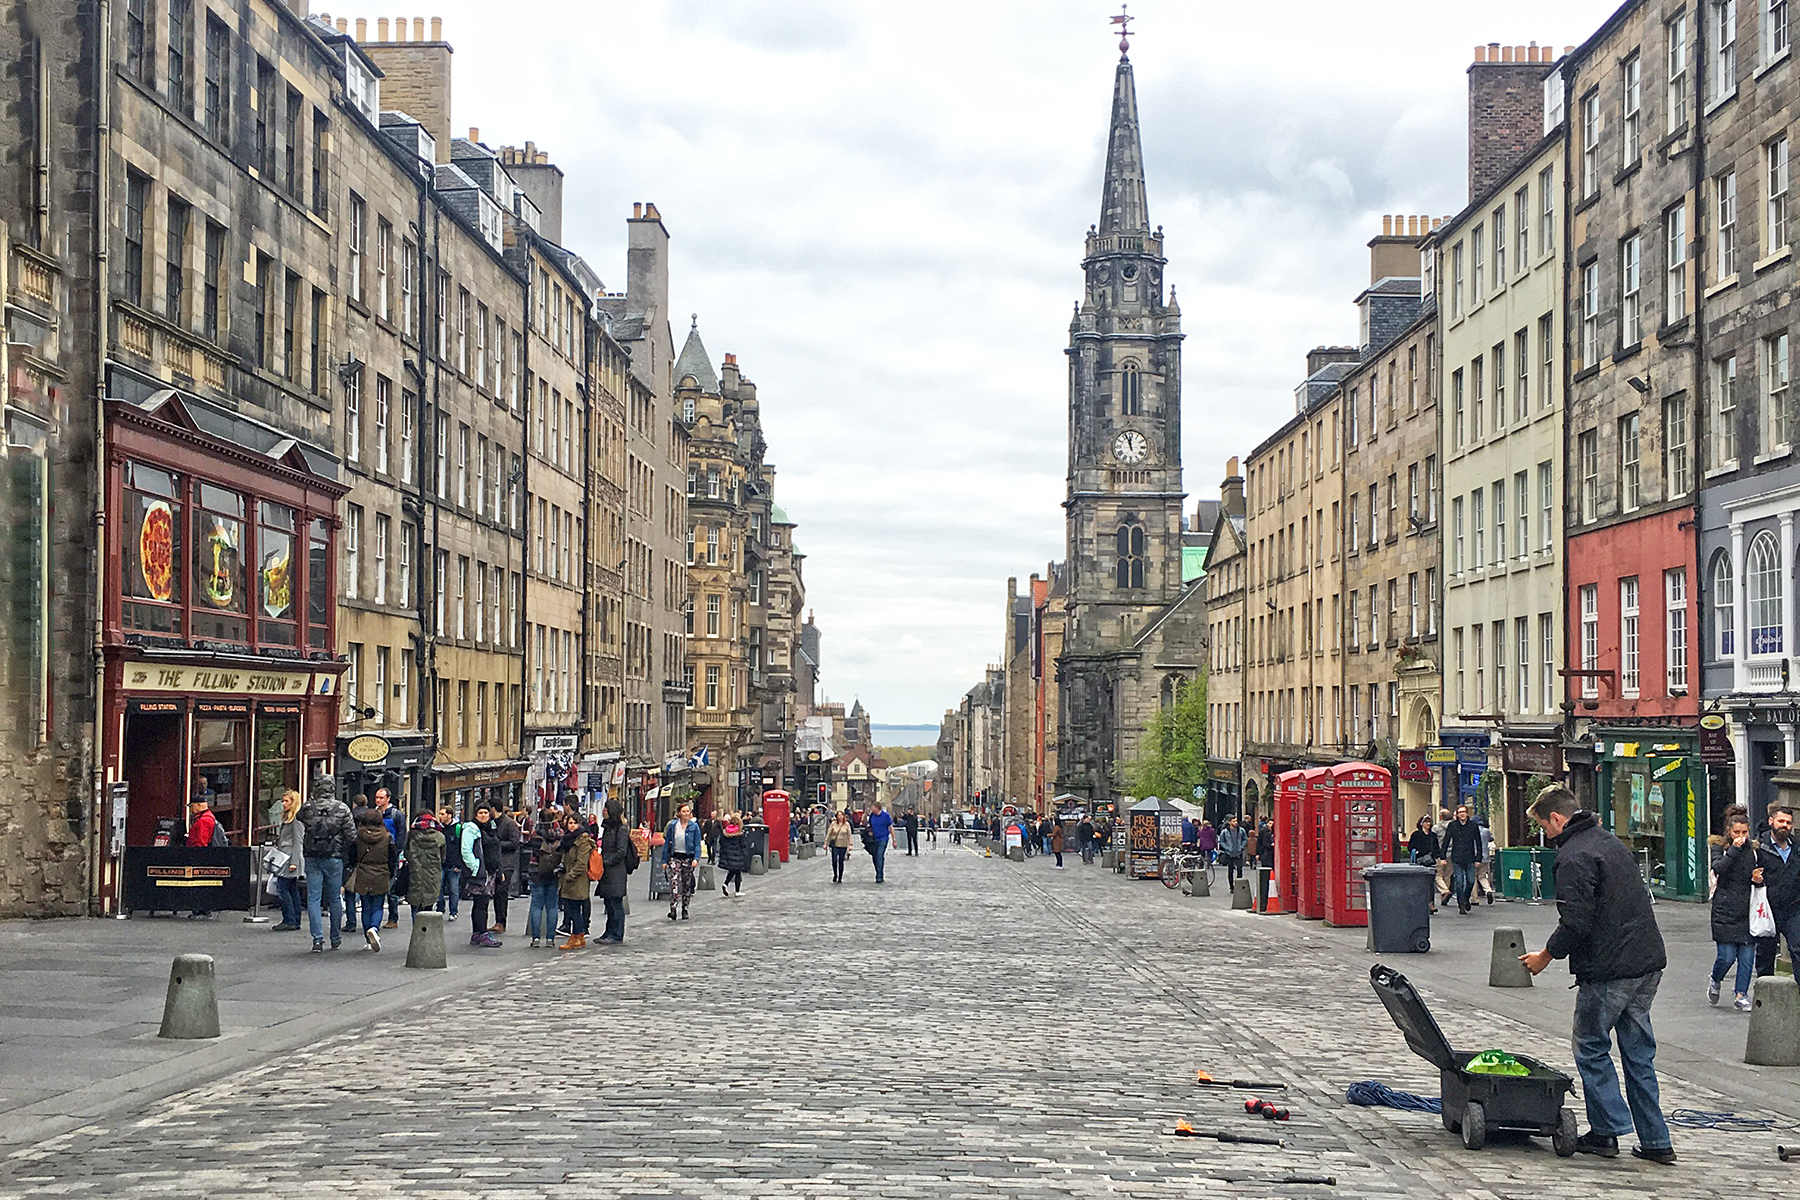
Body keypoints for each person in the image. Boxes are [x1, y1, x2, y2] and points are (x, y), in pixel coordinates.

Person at [1519, 786, 1673, 1165]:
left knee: (1590, 1045)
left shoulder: (1573, 857)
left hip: (1609, 968)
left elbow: (1576, 922)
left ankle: (1606, 1131)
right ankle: (1656, 1141)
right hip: (1646, 961)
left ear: (1556, 818)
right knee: (1638, 1053)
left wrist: (1545, 956)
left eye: (1544, 826)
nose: (1546, 835)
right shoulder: (1609, 842)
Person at [1709, 811, 1757, 1011]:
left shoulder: (1753, 850)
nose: (1741, 836)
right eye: (1737, 832)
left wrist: (1758, 878)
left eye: (1744, 832)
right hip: (1725, 910)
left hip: (1747, 909)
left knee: (1746, 957)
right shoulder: (1719, 847)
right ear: (1729, 831)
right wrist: (1734, 850)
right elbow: (1719, 868)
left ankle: (1741, 994)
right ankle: (1715, 978)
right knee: (1726, 956)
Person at [298, 780, 354, 952]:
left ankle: (317, 939)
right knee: (335, 897)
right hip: (334, 857)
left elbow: (299, 818)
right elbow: (351, 835)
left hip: (312, 856)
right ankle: (335, 937)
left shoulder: (308, 807)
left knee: (313, 898)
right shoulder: (342, 808)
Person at [1755, 804, 1800, 978]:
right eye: (1781, 821)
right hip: (1767, 908)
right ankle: (1764, 993)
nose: (1784, 825)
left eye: (1788, 822)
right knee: (1765, 954)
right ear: (1771, 821)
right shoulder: (1759, 847)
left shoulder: (1796, 848)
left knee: (1797, 948)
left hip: (1793, 908)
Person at [347, 808, 396, 952]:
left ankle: (368, 940)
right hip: (381, 872)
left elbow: (352, 856)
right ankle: (374, 928)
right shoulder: (387, 837)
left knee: (365, 906)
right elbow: (392, 857)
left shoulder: (358, 837)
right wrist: (390, 873)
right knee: (378, 905)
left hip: (363, 872)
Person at [461, 803, 503, 948]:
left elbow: (497, 850)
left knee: (482, 902)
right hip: (480, 872)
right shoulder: (471, 829)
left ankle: (478, 933)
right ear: (475, 815)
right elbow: (466, 850)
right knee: (481, 902)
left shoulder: (492, 828)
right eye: (480, 813)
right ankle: (482, 933)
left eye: (486, 812)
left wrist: (499, 869)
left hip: (490, 871)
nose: (483, 815)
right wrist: (476, 867)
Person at [268, 790, 306, 932]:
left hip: (289, 858)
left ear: (293, 802)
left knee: (283, 888)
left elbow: (298, 842)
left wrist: (294, 862)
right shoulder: (288, 818)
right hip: (286, 857)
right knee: (292, 889)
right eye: (283, 801)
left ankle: (289, 919)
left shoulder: (296, 819)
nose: (283, 804)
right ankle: (295, 920)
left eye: (287, 801)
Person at [527, 805, 564, 948]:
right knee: (552, 906)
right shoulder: (559, 832)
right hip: (553, 872)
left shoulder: (536, 833)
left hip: (537, 871)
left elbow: (533, 848)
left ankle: (536, 938)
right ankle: (550, 938)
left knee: (536, 905)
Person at [557, 813, 594, 950]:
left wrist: (570, 875)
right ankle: (578, 936)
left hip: (577, 880)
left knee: (574, 908)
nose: (572, 825)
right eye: (570, 823)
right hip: (569, 878)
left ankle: (576, 936)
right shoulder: (568, 840)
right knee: (572, 908)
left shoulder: (582, 840)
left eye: (574, 823)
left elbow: (581, 862)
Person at [403, 810, 446, 919]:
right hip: (432, 875)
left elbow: (406, 853)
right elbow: (443, 858)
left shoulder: (411, 835)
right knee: (428, 906)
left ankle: (416, 931)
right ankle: (425, 933)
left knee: (415, 905)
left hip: (414, 874)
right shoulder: (440, 837)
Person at [662, 802, 702, 920]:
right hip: (675, 856)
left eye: (687, 811)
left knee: (686, 884)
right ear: (679, 813)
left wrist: (696, 858)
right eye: (683, 811)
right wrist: (665, 860)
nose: (686, 813)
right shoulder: (673, 826)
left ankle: (685, 908)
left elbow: (697, 844)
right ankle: (673, 908)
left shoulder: (694, 827)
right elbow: (667, 844)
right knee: (673, 881)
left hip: (688, 857)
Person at [372, 788, 406, 927]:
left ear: (388, 799)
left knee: (391, 888)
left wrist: (397, 852)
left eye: (381, 797)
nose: (378, 800)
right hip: (376, 855)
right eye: (377, 797)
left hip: (391, 855)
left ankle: (393, 918)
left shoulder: (396, 814)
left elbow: (402, 834)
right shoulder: (374, 813)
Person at [1441, 805, 1483, 914]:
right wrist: (1443, 857)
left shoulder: (1473, 826)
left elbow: (1478, 843)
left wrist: (1479, 858)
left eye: (1464, 812)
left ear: (1467, 813)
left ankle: (1466, 898)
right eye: (1460, 812)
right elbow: (1446, 841)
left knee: (1471, 881)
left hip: (1470, 857)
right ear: (1457, 814)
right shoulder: (1453, 825)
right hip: (1457, 857)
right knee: (1459, 882)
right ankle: (1461, 904)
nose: (1462, 814)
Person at [491, 804, 521, 935]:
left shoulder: (509, 823)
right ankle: (498, 921)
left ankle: (501, 922)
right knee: (496, 892)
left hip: (507, 862)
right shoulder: (492, 823)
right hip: (495, 862)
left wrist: (497, 844)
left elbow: (514, 843)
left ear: (493, 809)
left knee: (502, 891)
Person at [1408, 815, 1445, 914]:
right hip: (1420, 862)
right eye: (1426, 822)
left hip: (1431, 862)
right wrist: (1416, 852)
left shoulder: (1433, 835)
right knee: (1420, 884)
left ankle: (1431, 903)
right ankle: (1421, 903)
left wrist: (1439, 857)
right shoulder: (1416, 834)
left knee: (1430, 884)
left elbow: (1436, 848)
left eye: (1429, 822)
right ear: (1421, 823)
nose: (1428, 824)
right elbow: (1410, 846)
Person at [436, 807, 462, 921]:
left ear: (450, 815)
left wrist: (459, 864)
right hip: (441, 863)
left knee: (453, 889)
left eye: (442, 814)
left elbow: (461, 847)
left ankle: (453, 911)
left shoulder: (458, 828)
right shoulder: (439, 829)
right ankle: (440, 909)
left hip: (453, 864)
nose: (440, 816)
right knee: (438, 888)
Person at [716, 811, 750, 897]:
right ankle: (737, 891)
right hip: (737, 855)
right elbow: (743, 845)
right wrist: (745, 855)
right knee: (737, 871)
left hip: (728, 855)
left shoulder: (725, 832)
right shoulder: (740, 833)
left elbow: (721, 842)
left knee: (733, 870)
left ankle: (726, 884)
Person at [868, 799, 893, 883]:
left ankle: (879, 875)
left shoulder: (885, 816)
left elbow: (891, 827)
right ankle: (878, 871)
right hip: (874, 839)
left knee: (879, 855)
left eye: (873, 807)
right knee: (875, 857)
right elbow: (869, 826)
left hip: (883, 838)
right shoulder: (872, 816)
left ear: (877, 808)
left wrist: (894, 839)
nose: (871, 808)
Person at [1217, 815, 1247, 886]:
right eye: (1233, 821)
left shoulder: (1241, 830)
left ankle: (1238, 884)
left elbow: (1245, 839)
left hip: (1238, 852)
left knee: (1240, 869)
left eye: (1236, 821)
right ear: (1230, 822)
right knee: (1230, 870)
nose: (1235, 823)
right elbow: (1221, 841)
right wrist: (1227, 848)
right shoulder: (1225, 831)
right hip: (1229, 853)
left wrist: (1242, 846)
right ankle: (1231, 886)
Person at [826, 810, 853, 882]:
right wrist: (825, 843)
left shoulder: (847, 824)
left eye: (841, 815)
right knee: (834, 860)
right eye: (838, 815)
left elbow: (849, 835)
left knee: (841, 861)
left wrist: (850, 844)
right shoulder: (833, 824)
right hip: (835, 844)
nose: (840, 817)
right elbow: (828, 834)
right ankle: (835, 874)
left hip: (843, 844)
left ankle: (840, 877)